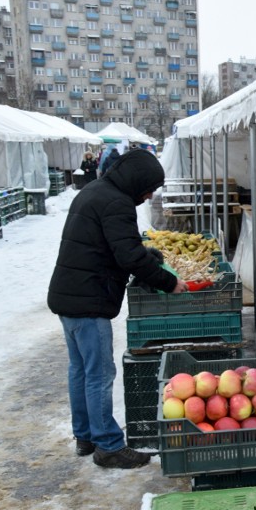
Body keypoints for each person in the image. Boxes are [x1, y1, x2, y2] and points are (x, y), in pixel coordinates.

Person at [47, 150, 188, 469]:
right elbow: (127, 257)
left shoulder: (95, 191)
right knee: (98, 373)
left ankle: (85, 435)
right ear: (138, 181)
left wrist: (144, 252)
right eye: (150, 187)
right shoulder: (117, 202)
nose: (150, 194)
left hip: (69, 295)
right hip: (88, 300)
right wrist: (168, 282)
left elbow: (109, 243)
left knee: (80, 370)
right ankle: (108, 446)